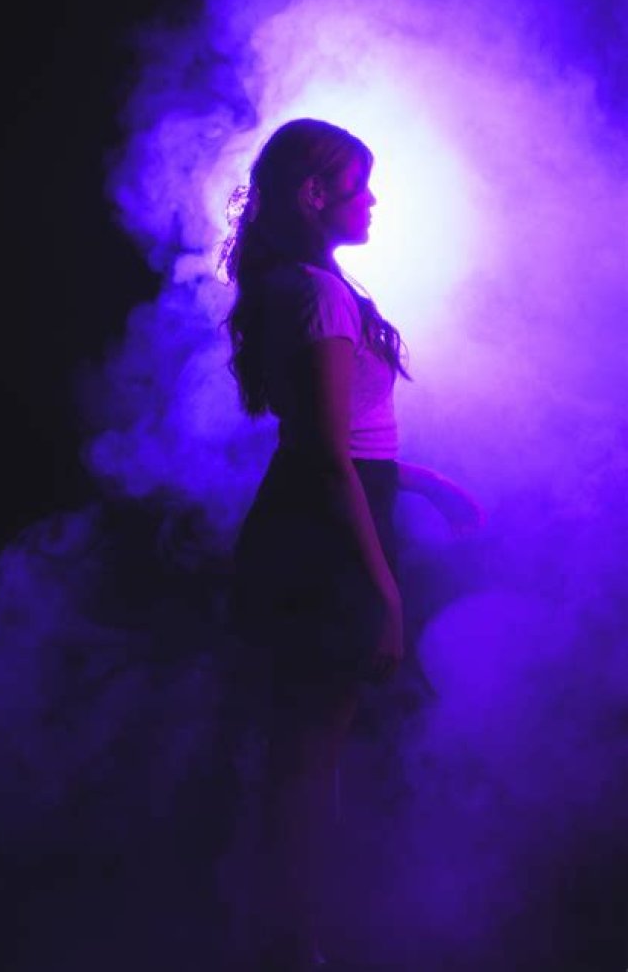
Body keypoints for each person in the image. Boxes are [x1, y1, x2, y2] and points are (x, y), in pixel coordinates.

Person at [219, 118, 483, 971]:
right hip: (325, 532)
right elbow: (328, 455)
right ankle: (289, 947)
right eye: (359, 186)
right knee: (307, 757)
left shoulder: (297, 285)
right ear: (313, 195)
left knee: (300, 750)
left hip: (316, 515)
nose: (373, 200)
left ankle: (284, 937)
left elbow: (336, 444)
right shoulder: (318, 295)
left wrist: (426, 484)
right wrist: (385, 592)